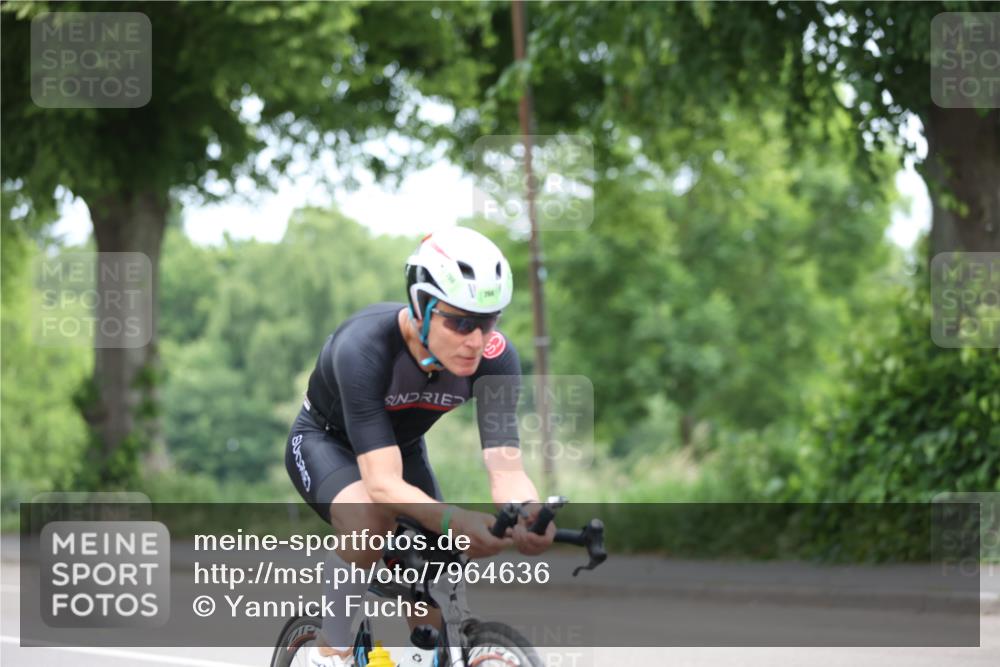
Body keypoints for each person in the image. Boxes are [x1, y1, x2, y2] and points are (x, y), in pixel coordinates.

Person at [284, 226, 556, 667]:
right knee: (371, 524)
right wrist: (456, 518)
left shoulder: (496, 358)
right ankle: (329, 650)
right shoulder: (364, 347)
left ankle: (424, 658)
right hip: (326, 442)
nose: (475, 339)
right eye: (460, 322)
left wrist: (528, 512)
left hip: (401, 448)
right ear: (421, 306)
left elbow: (506, 468)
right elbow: (383, 486)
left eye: (487, 321)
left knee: (436, 560)